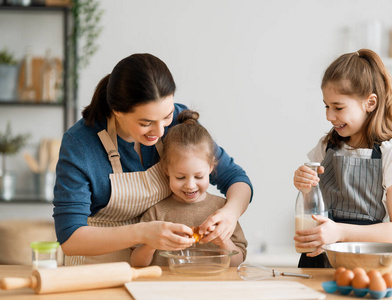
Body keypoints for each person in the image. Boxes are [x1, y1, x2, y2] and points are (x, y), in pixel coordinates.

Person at [52, 53, 252, 265]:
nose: (159, 131)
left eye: (166, 116)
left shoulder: (178, 121)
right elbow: (71, 238)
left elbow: (236, 179)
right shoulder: (81, 144)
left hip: (152, 273)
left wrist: (230, 214)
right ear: (117, 111)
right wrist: (143, 234)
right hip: (96, 268)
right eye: (146, 123)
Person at [293, 49, 392, 268]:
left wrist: (339, 232)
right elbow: (314, 207)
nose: (329, 116)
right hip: (319, 261)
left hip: (363, 263)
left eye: (338, 107)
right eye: (327, 106)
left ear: (370, 103)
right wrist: (305, 187)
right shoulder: (326, 148)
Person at [130, 110, 247, 267]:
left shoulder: (222, 210)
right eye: (180, 177)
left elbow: (238, 262)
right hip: (165, 287)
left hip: (214, 287)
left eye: (199, 177)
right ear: (166, 170)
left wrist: (223, 241)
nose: (190, 185)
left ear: (211, 167)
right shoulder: (156, 212)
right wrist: (151, 244)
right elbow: (136, 263)